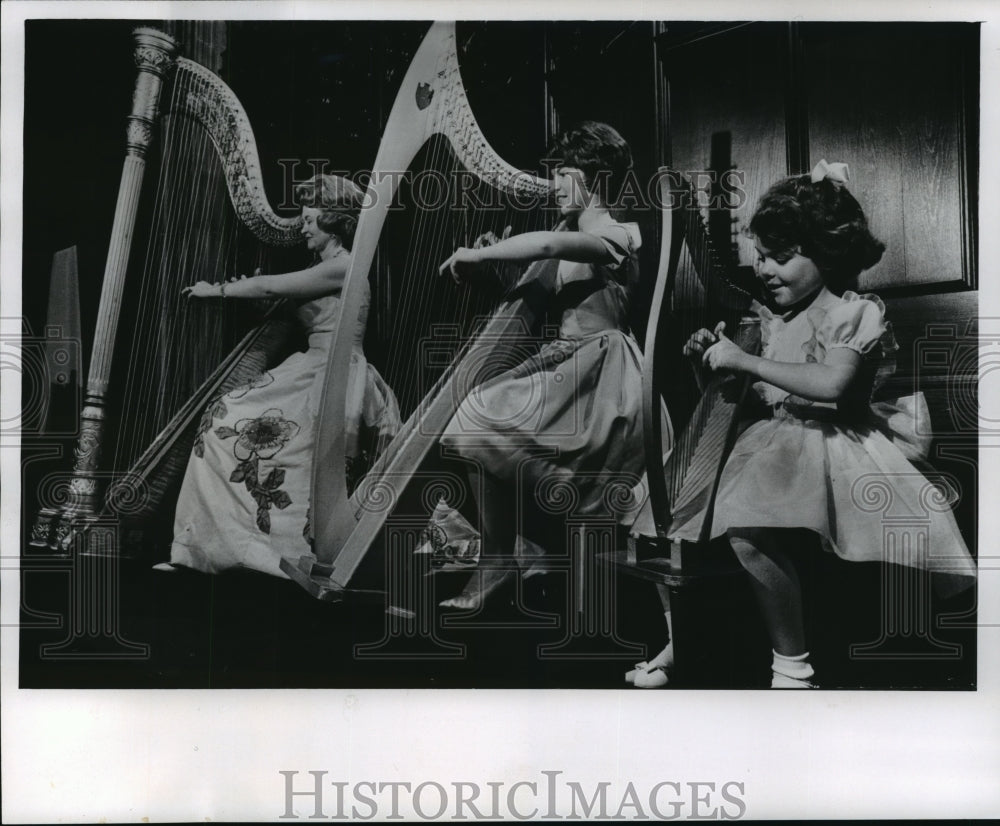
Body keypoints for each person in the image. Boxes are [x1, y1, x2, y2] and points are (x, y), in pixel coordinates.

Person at [632, 160, 976, 688]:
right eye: (760, 258)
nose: (765, 270)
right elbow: (740, 404)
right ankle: (685, 639)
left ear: (828, 253)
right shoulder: (768, 322)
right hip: (772, 440)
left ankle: (793, 667)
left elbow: (832, 386)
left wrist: (743, 361)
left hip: (838, 447)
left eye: (780, 258)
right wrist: (708, 364)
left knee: (746, 525)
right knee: (666, 514)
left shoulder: (851, 312)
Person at [437, 121, 669, 609]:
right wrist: (493, 268)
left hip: (602, 378)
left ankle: (507, 554)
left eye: (566, 174)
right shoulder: (571, 237)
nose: (555, 185)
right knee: (476, 418)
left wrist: (477, 253)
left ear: (597, 178)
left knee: (478, 415)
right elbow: (527, 297)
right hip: (568, 363)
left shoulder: (618, 233)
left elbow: (544, 245)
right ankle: (517, 550)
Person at [165, 174, 400, 577]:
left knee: (231, 424)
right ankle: (216, 546)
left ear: (331, 221)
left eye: (310, 218)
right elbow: (281, 301)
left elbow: (272, 287)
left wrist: (216, 291)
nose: (302, 226)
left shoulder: (345, 265)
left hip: (333, 374)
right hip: (314, 367)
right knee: (225, 423)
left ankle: (285, 552)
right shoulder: (323, 266)